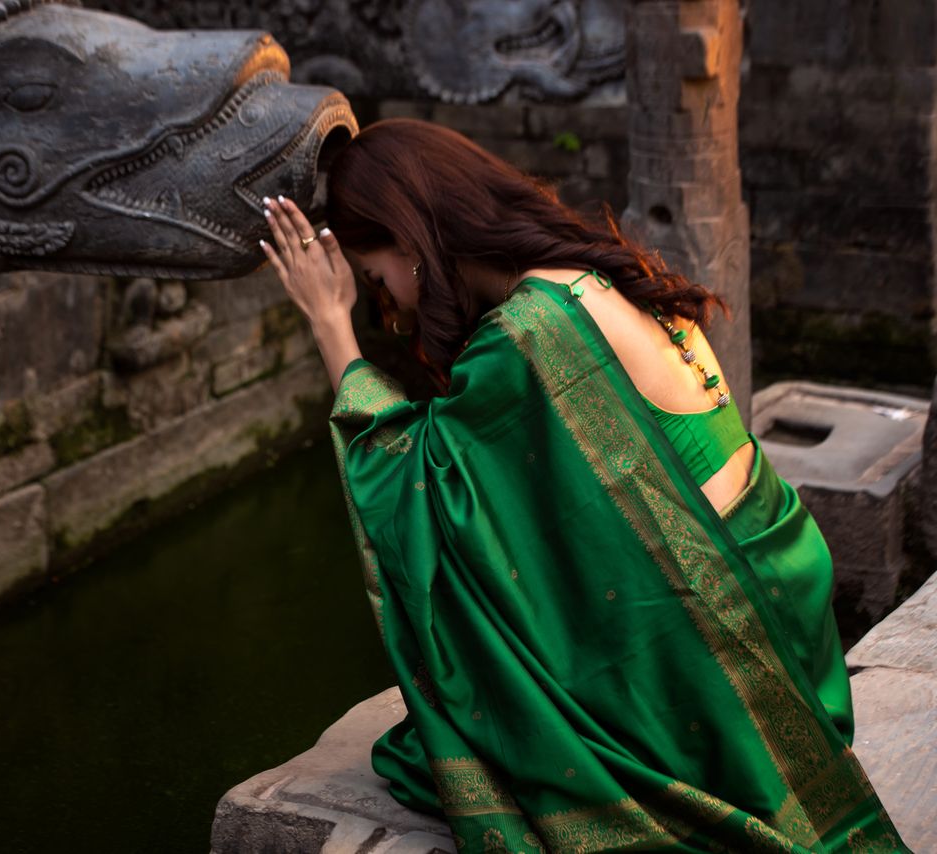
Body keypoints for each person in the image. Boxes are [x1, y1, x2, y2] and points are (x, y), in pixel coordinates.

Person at [258, 118, 907, 853]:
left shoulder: (531, 334)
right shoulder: (588, 274)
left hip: (720, 655)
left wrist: (329, 327)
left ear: (410, 242)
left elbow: (419, 487)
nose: (394, 309)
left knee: (477, 742)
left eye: (379, 282)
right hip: (785, 605)